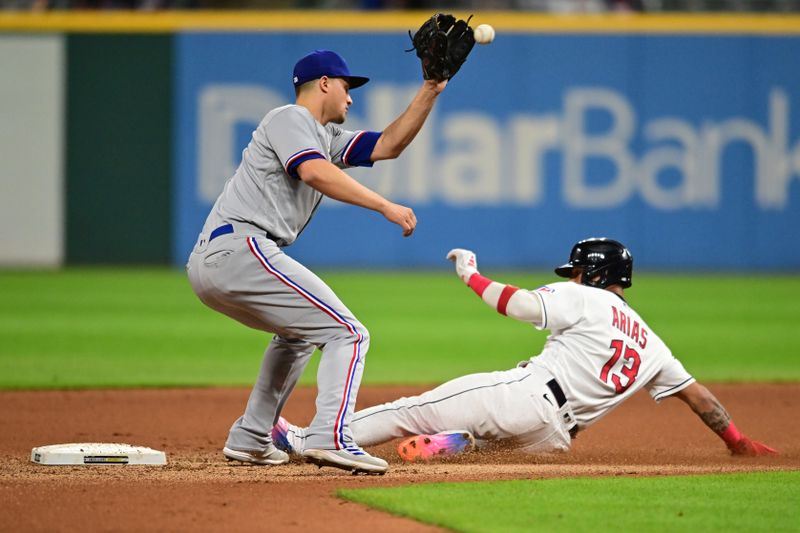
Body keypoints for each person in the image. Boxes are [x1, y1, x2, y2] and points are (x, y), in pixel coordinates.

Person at [272, 238, 778, 461]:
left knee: (410, 410)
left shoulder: (584, 297)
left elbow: (515, 305)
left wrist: (471, 275)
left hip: (527, 397)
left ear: (595, 275)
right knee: (485, 447)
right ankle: (457, 446)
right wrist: (737, 442)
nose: (574, 278)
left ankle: (314, 438)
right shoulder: (652, 344)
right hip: (554, 439)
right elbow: (701, 399)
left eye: (579, 270)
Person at [186, 49, 449, 475]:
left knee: (299, 336)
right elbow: (313, 172)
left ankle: (252, 437)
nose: (350, 98)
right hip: (241, 247)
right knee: (349, 333)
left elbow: (388, 145)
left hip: (223, 255)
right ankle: (330, 436)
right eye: (347, 87)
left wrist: (430, 90)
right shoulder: (289, 118)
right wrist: (384, 205)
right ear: (324, 83)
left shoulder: (323, 136)